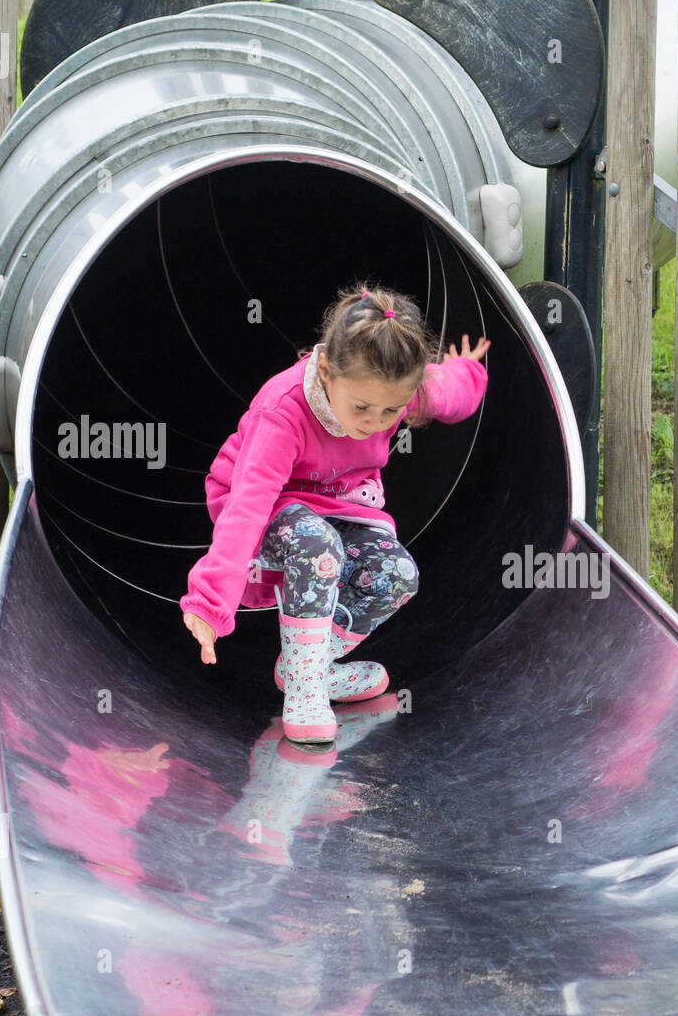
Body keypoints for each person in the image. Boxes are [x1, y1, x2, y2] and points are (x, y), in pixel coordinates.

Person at [179, 282, 490, 744]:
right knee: (315, 543)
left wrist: (465, 368)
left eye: (391, 411)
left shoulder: (391, 386)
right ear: (326, 369)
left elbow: (449, 395)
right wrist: (210, 602)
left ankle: (310, 666)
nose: (374, 421)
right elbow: (248, 504)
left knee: (399, 574)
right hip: (269, 506)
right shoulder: (284, 410)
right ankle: (305, 693)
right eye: (362, 407)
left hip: (340, 505)